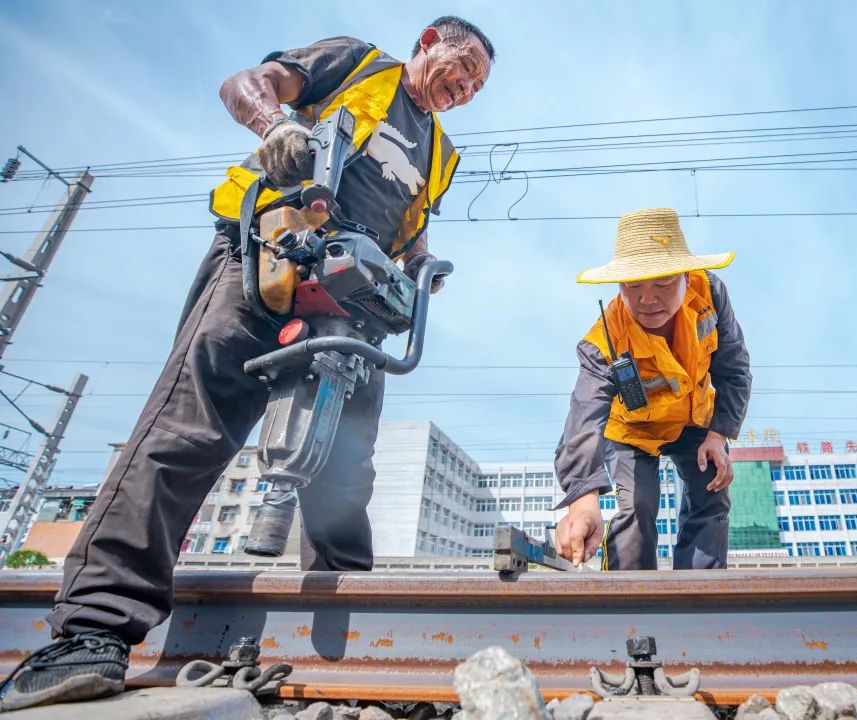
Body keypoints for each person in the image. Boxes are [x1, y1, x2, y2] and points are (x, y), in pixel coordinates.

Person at [0, 16, 494, 712]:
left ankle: (346, 655)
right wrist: (273, 125)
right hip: (271, 259)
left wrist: (418, 269)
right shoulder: (359, 64)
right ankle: (92, 633)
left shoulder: (441, 152)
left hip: (352, 304)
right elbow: (249, 83)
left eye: (477, 82)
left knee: (345, 472)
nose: (466, 85)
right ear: (426, 43)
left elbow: (408, 229)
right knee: (188, 432)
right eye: (463, 64)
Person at [553, 208, 752, 571]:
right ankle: (632, 600)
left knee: (712, 488)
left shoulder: (709, 294)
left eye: (662, 284)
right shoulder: (604, 341)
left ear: (685, 277)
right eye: (633, 286)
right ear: (618, 286)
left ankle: (699, 592)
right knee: (637, 505)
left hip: (694, 421)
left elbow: (734, 368)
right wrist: (582, 500)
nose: (647, 300)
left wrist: (718, 434)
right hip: (632, 430)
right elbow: (584, 415)